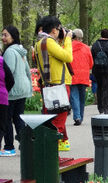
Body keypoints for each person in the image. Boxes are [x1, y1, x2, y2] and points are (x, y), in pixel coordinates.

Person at [34, 15, 73, 151]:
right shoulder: (48, 42)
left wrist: (61, 42)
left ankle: (59, 144)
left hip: (51, 85)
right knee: (58, 121)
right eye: (59, 28)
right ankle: (51, 150)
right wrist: (68, 40)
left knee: (52, 117)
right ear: (54, 30)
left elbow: (57, 57)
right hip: (58, 86)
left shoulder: (42, 42)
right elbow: (68, 57)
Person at [0, 26, 32, 156]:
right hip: (22, 88)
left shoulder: (9, 52)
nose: (3, 38)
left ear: (13, 36)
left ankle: (9, 147)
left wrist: (5, 89)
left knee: (7, 119)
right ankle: (25, 145)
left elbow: (8, 74)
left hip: (12, 91)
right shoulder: (21, 51)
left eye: (5, 35)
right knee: (19, 119)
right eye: (2, 35)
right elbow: (27, 71)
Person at [68, 29, 93, 125]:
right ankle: (80, 117)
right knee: (82, 97)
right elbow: (91, 63)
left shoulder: (68, 46)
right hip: (84, 75)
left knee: (74, 96)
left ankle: (77, 116)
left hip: (72, 74)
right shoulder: (86, 48)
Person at [91, 29, 108, 114]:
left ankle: (100, 107)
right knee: (106, 88)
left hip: (97, 69)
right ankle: (106, 108)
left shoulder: (95, 45)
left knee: (99, 87)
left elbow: (91, 57)